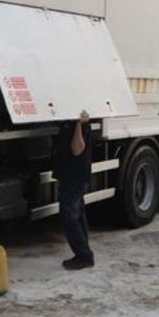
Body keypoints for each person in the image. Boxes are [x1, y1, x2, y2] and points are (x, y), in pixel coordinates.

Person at [55, 111, 94, 271]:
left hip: (75, 176)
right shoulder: (69, 120)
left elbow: (77, 149)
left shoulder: (80, 123)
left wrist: (78, 123)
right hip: (71, 175)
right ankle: (84, 252)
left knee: (69, 216)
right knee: (78, 215)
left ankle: (84, 256)